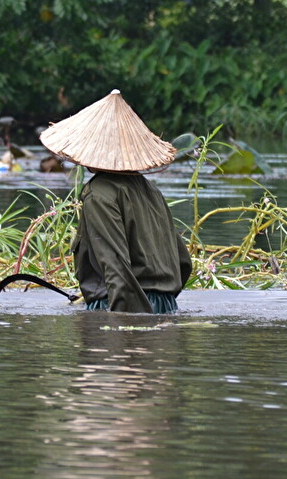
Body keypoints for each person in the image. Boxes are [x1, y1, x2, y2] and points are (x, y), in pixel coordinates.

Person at [40, 89, 192, 314]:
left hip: (127, 306)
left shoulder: (99, 193)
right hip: (165, 306)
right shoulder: (151, 190)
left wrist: (124, 323)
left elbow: (116, 268)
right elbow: (183, 263)